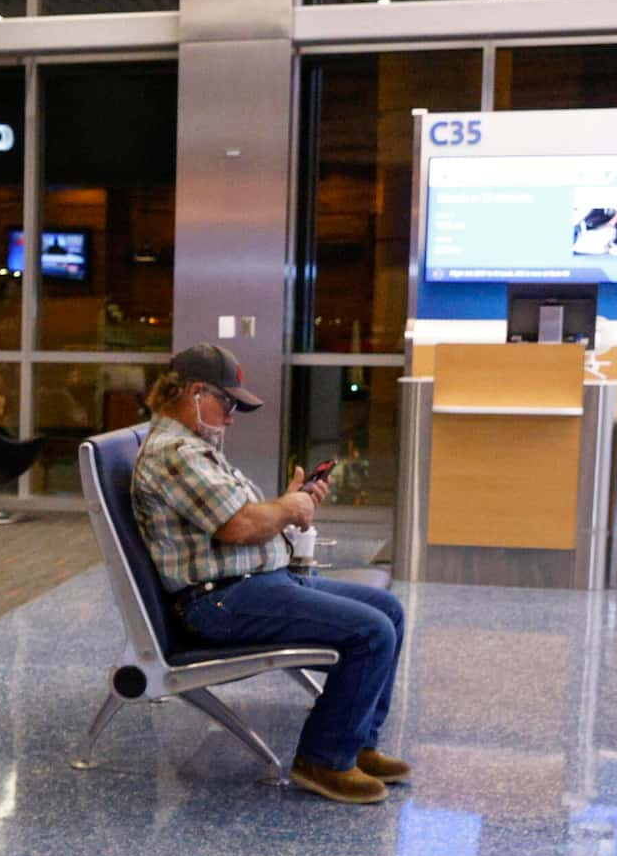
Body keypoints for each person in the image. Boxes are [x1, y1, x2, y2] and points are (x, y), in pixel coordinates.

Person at [129, 342, 410, 805]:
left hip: (252, 584)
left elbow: (243, 516)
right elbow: (239, 525)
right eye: (229, 401)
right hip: (220, 601)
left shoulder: (195, 447)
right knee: (372, 630)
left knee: (388, 610)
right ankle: (323, 759)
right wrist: (286, 508)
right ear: (195, 392)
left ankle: (355, 742)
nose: (233, 415)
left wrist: (287, 506)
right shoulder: (175, 453)